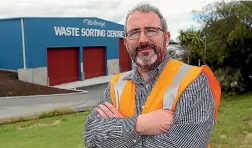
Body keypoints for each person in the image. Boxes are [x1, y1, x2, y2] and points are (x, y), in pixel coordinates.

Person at [84, 3, 221, 148]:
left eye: (151, 30)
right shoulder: (115, 86)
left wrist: (120, 130)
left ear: (166, 38)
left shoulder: (193, 79)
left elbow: (187, 145)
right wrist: (140, 124)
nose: (142, 39)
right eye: (134, 32)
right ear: (125, 43)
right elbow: (91, 137)